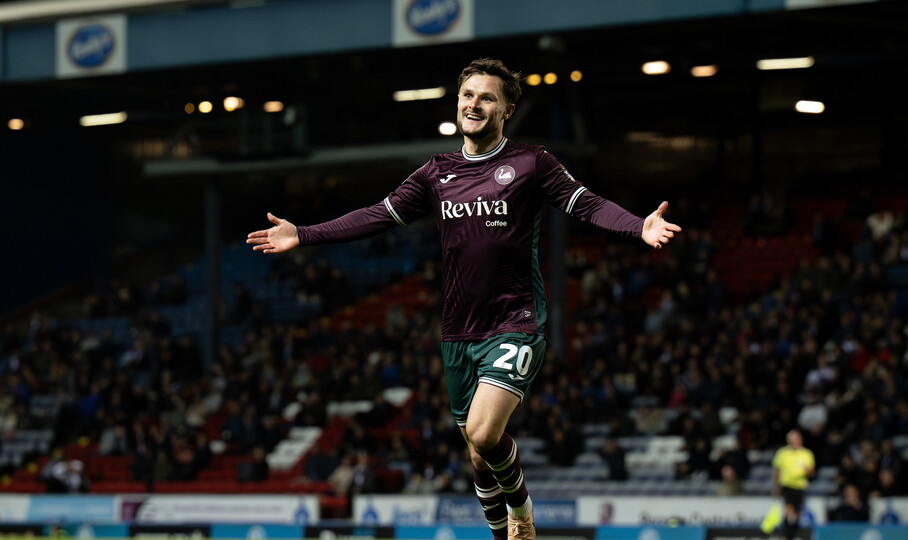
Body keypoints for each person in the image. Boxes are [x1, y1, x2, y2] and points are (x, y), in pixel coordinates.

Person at [247, 57, 681, 540]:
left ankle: (522, 510)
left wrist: (637, 224)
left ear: (506, 109)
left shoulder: (531, 163)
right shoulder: (437, 173)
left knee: (482, 432)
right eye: (467, 95)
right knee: (478, 454)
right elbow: (376, 215)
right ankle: (504, 535)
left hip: (515, 320)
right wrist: (303, 234)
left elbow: (587, 203)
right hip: (458, 330)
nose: (474, 104)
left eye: (487, 97)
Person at [772, 429, 815, 538]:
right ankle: (788, 535)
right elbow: (777, 470)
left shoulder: (807, 454)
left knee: (796, 513)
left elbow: (811, 472)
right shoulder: (782, 453)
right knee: (788, 510)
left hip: (800, 486)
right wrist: (775, 486)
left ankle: (792, 533)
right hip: (786, 486)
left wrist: (807, 470)